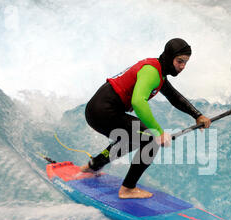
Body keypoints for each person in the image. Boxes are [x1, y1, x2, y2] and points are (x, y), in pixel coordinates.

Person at [81, 38, 211, 199]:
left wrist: (197, 115)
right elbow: (137, 102)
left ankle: (93, 166)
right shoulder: (151, 72)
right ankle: (127, 189)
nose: (182, 66)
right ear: (169, 57)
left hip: (98, 109)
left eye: (185, 62)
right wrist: (158, 132)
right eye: (180, 61)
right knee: (151, 139)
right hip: (102, 111)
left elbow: (173, 96)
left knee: (134, 138)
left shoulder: (158, 71)